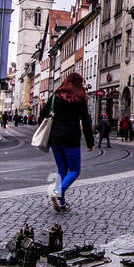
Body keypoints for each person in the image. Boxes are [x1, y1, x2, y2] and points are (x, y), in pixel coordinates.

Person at [39, 72, 94, 212]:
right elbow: (86, 121)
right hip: (71, 138)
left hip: (55, 139)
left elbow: (43, 114)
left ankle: (61, 203)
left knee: (61, 170)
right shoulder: (80, 97)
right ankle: (59, 191)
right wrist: (90, 142)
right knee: (74, 170)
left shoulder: (56, 95)